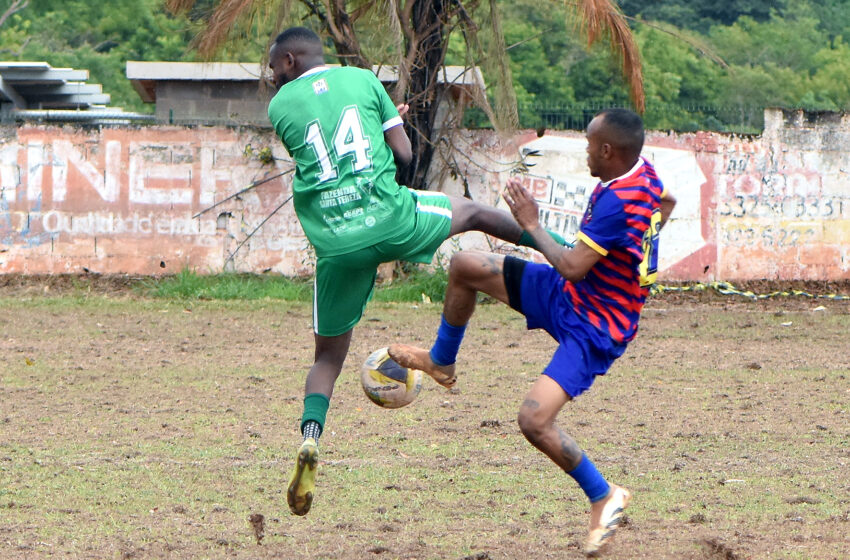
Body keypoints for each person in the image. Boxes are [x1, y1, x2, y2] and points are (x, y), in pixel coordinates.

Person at [267, 26, 569, 517]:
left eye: (273, 69)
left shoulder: (279, 109)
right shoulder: (363, 80)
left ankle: (310, 437)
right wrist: (387, 128)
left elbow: (322, 149)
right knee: (470, 212)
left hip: (337, 245)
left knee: (327, 357)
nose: (272, 78)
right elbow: (404, 157)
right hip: (389, 217)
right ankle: (565, 250)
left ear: (288, 60)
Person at [389, 108, 677, 557]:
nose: (585, 152)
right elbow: (667, 204)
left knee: (533, 420)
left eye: (588, 145)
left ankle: (604, 495)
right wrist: (640, 261)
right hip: (570, 296)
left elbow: (572, 267)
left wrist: (530, 223)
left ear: (607, 150)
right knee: (466, 266)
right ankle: (441, 360)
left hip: (597, 325)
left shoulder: (619, 202)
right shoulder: (645, 176)